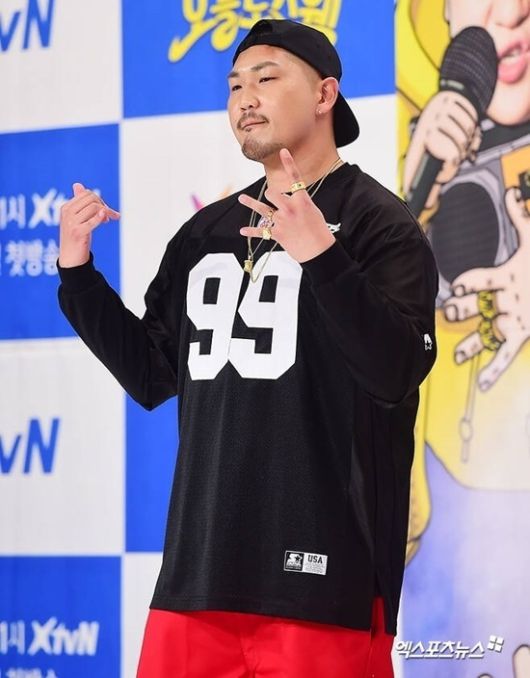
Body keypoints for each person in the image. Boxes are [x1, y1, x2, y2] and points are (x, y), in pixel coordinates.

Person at [57, 18, 438, 678]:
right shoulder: (206, 231)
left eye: (266, 78)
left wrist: (322, 255)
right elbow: (151, 375)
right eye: (235, 85)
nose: (245, 98)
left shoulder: (380, 224)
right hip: (198, 577)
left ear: (324, 95)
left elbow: (396, 371)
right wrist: (79, 274)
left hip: (325, 584)